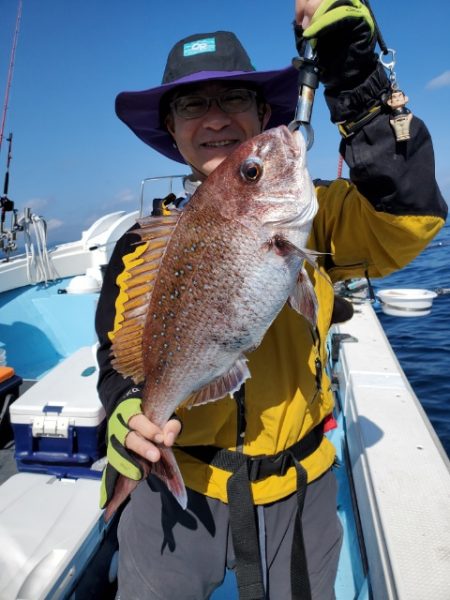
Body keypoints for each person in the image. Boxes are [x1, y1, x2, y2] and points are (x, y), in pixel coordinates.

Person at [95, 1, 447, 598]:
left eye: (234, 97)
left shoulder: (324, 217)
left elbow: (409, 216)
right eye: (190, 104)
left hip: (296, 490)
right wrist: (128, 408)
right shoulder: (137, 245)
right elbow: (118, 358)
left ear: (262, 112)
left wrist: (359, 83)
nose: (214, 119)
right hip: (179, 488)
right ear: (172, 130)